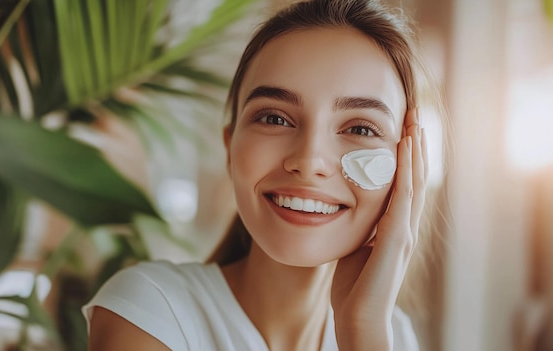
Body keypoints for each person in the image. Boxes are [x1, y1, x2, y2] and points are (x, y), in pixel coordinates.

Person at [83, 0, 441, 350]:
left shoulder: (391, 332)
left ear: (408, 169)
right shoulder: (150, 314)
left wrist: (362, 332)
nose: (309, 160)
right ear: (230, 145)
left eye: (361, 129)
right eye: (274, 119)